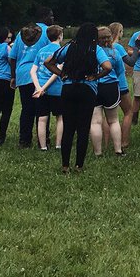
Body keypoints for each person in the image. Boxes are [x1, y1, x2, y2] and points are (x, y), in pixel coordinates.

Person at [45, 22, 112, 174]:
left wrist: (61, 74)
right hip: (87, 90)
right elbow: (107, 66)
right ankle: (79, 166)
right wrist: (96, 76)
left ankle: (64, 165)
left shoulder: (69, 47)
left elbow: (48, 62)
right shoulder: (95, 49)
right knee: (83, 129)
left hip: (68, 88)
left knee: (68, 128)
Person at [9, 7, 52, 148]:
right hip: (39, 75)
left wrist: (14, 76)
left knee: (26, 109)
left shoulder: (22, 32)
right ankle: (43, 140)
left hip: (22, 74)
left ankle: (24, 140)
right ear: (45, 17)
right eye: (51, 16)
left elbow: (13, 57)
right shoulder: (48, 32)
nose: (53, 19)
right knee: (42, 110)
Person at [90, 27, 125, 158]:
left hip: (94, 87)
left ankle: (98, 152)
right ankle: (118, 150)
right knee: (114, 120)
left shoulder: (92, 53)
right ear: (110, 38)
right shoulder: (115, 53)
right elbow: (121, 71)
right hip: (111, 87)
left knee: (95, 122)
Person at [31, 24, 65, 150]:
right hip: (56, 89)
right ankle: (58, 145)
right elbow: (57, 73)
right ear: (60, 36)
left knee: (41, 118)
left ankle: (43, 147)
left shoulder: (41, 51)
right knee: (60, 117)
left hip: (39, 89)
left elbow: (33, 71)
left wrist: (38, 87)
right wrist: (44, 87)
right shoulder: (61, 51)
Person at [108, 22, 134, 151]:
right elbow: (130, 62)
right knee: (129, 111)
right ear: (119, 32)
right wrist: (137, 51)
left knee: (107, 116)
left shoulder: (102, 47)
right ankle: (124, 141)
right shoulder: (117, 46)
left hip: (105, 84)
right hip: (120, 84)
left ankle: (106, 143)